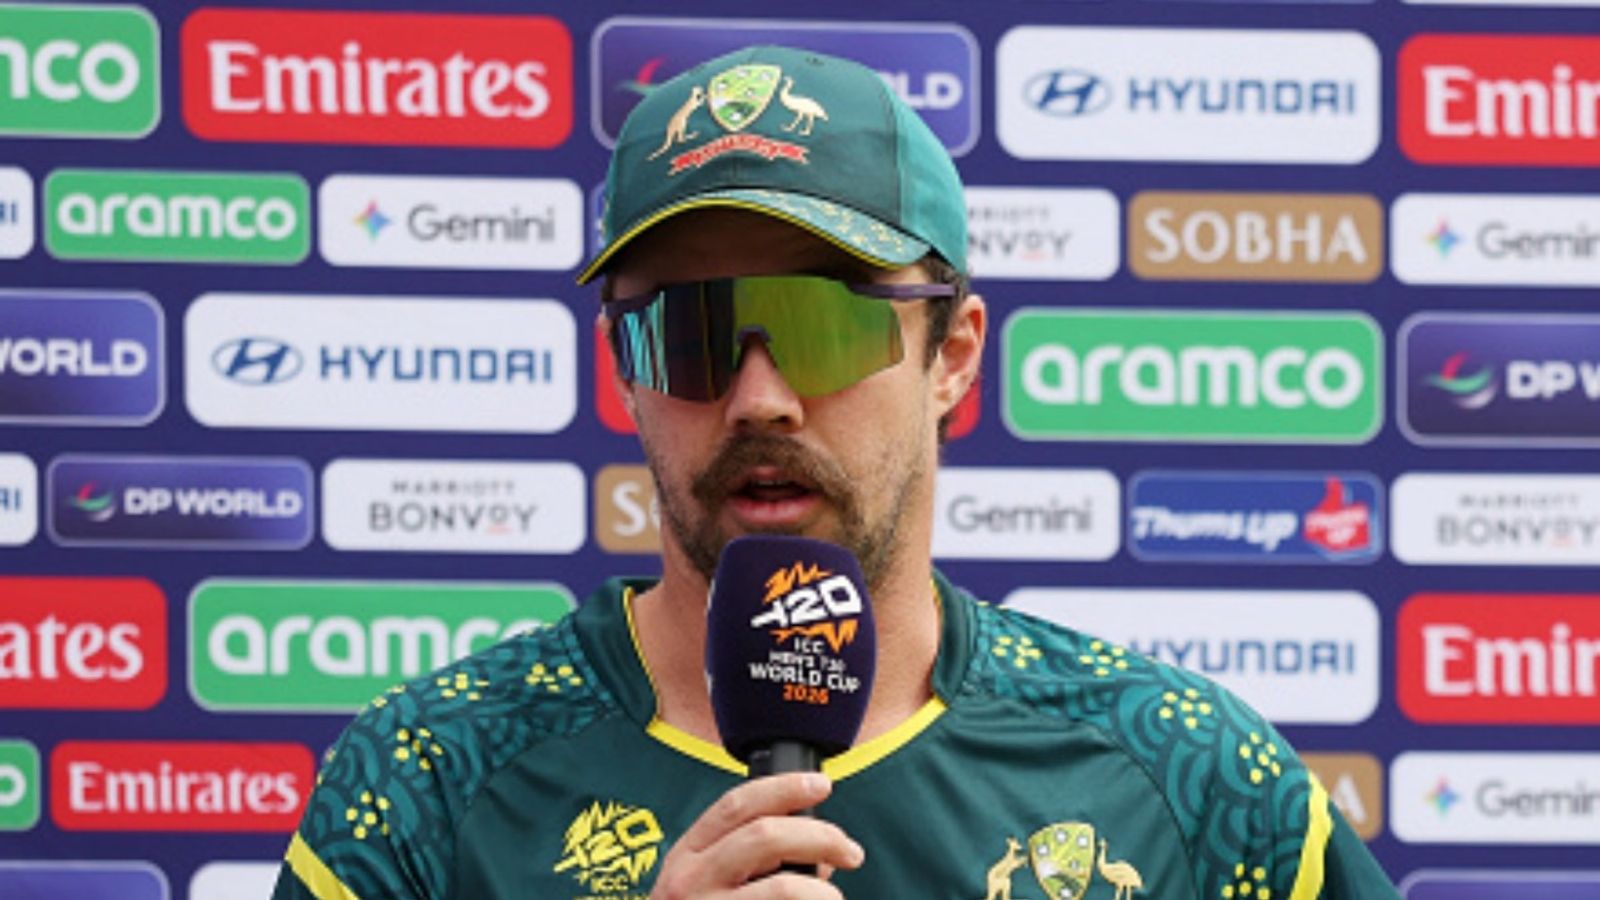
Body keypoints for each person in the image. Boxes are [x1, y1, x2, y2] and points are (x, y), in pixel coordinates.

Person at [272, 45, 1400, 899]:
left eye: (824, 323)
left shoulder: (1186, 773)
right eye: (692, 333)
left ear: (952, 356)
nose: (759, 397)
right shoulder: (425, 778)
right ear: (623, 370)